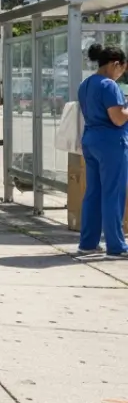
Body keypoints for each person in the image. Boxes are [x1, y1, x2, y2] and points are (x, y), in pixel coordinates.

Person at [78, 43, 128, 257]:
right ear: (116, 64)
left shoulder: (86, 84)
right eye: (123, 69)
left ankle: (88, 243)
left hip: (91, 140)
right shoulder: (109, 85)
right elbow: (117, 118)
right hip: (110, 142)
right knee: (113, 193)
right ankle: (116, 245)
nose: (121, 74)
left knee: (93, 193)